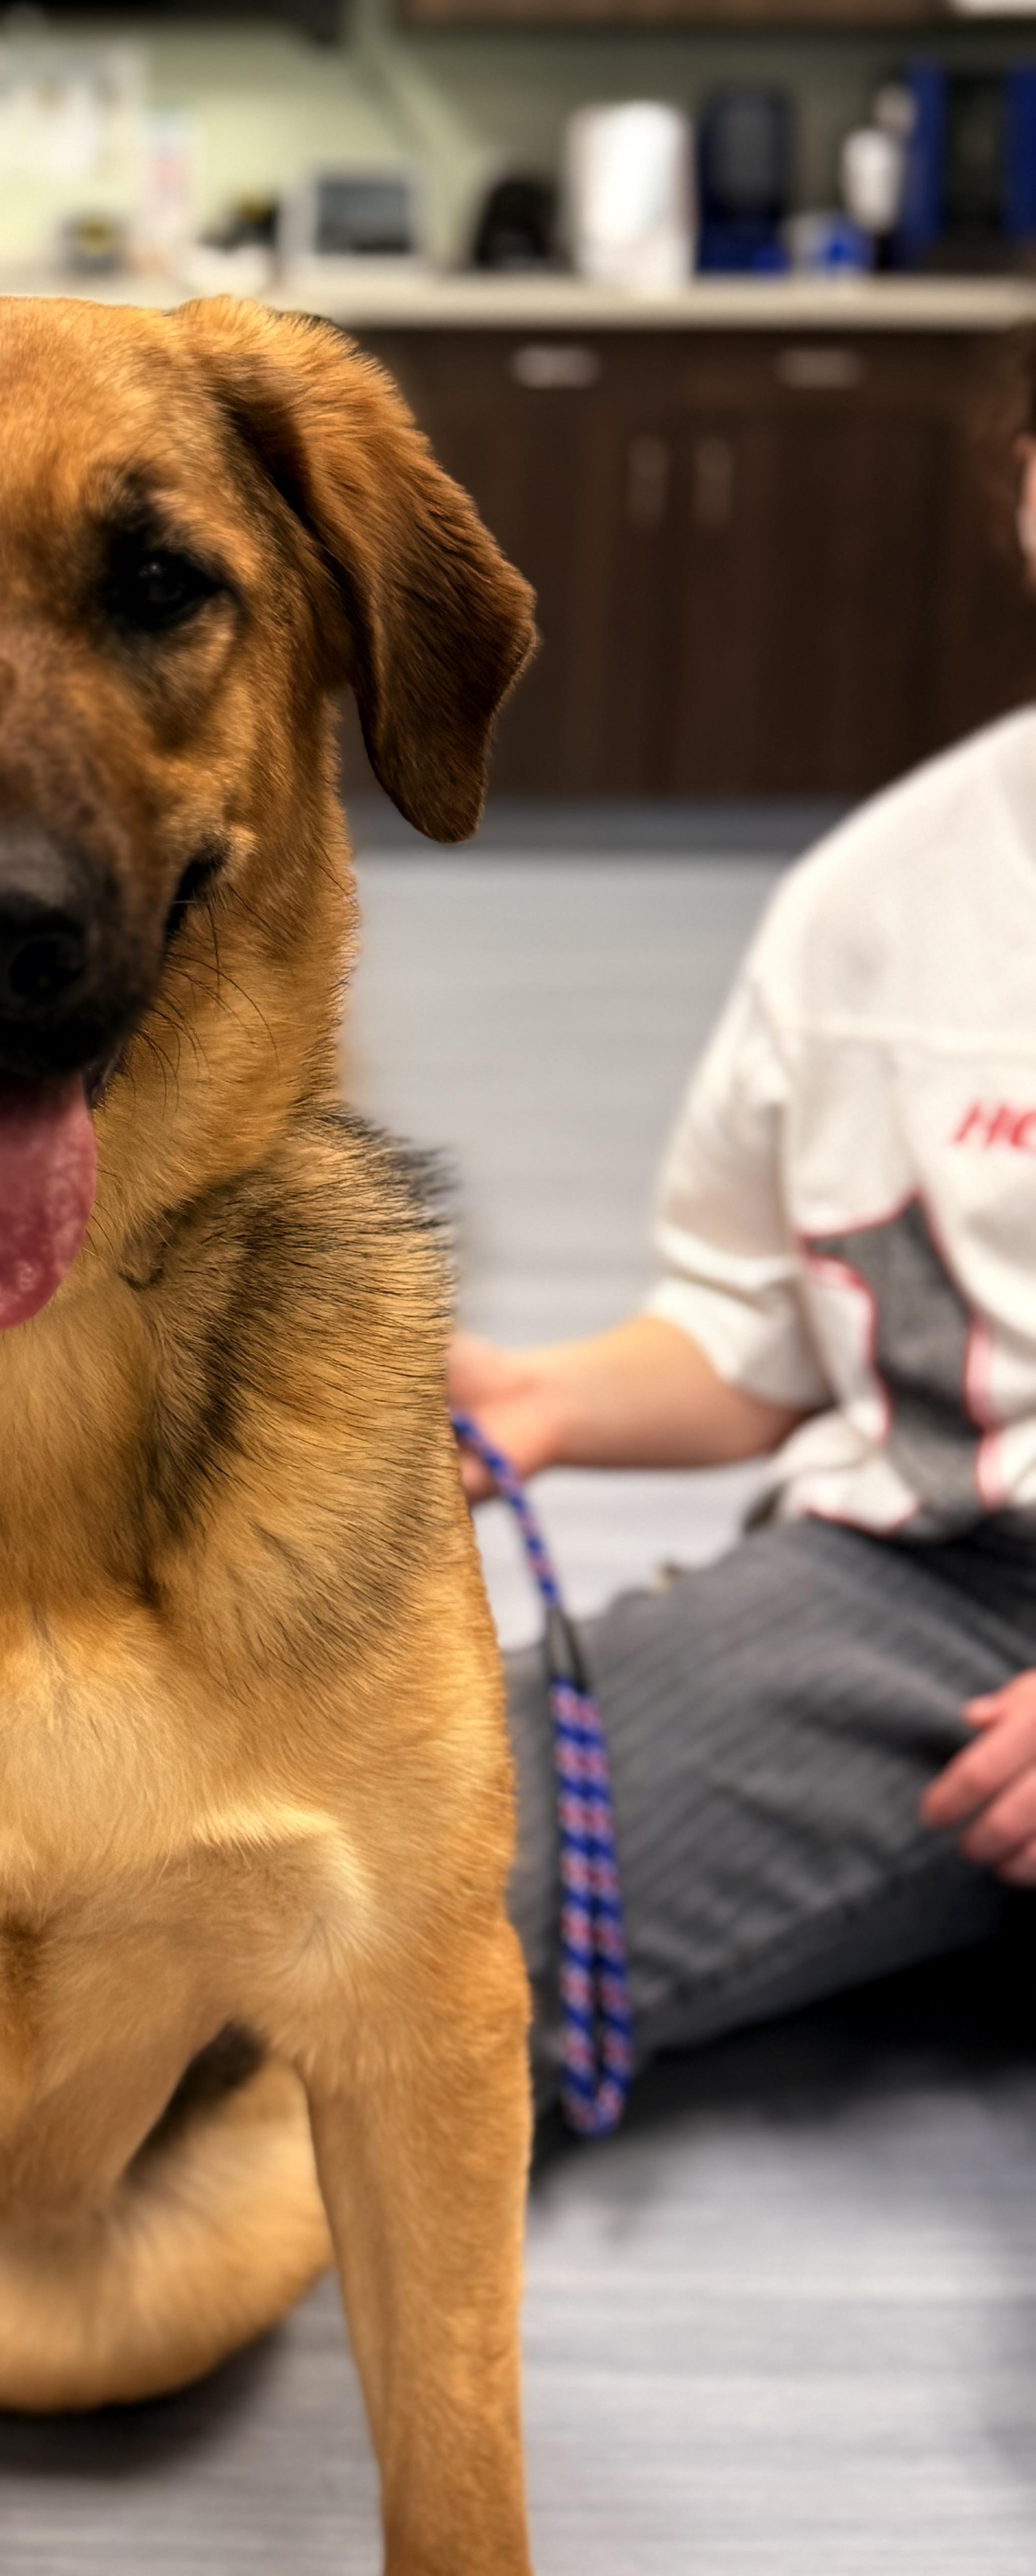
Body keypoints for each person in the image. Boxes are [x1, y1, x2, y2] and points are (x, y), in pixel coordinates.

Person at [455, 439, 1036, 2100]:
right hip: (920, 1588)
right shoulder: (881, 898)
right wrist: (544, 1399)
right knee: (343, 1898)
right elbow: (767, 1326)